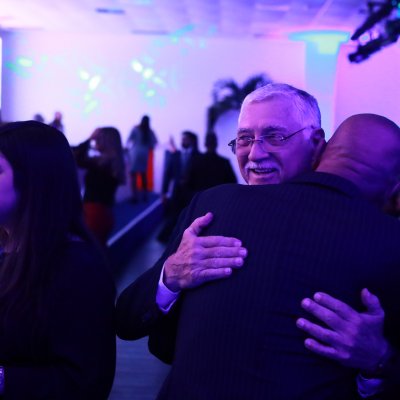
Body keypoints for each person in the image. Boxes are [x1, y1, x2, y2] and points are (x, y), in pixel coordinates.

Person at [121, 113, 400, 399]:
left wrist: (378, 359)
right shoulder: (211, 209)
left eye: (276, 137)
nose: (256, 153)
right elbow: (134, 321)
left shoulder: (214, 206)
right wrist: (170, 276)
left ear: (317, 147)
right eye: (244, 138)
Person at [0, 120, 116, 399]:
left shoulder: (77, 268)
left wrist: (4, 379)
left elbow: (85, 382)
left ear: (33, 179)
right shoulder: (11, 251)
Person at [73, 127, 126, 246]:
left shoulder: (101, 164)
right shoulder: (114, 163)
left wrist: (89, 138)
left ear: (104, 141)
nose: (95, 141)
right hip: (105, 213)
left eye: (97, 139)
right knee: (99, 251)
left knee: (90, 252)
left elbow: (76, 156)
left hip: (93, 214)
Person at [158, 130, 201, 242]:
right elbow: (167, 174)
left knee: (189, 217)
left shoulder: (198, 156)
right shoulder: (175, 155)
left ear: (192, 141)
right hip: (177, 192)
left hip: (191, 192)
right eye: (182, 139)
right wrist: (164, 193)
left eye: (185, 139)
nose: (183, 141)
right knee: (173, 215)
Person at [127, 115, 157, 202]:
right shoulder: (150, 131)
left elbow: (128, 140)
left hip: (134, 153)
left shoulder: (135, 129)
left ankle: (134, 197)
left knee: (133, 176)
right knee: (143, 175)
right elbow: (154, 143)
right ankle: (145, 196)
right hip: (144, 154)